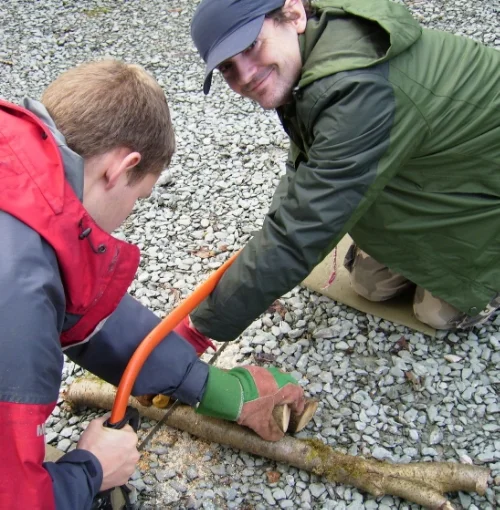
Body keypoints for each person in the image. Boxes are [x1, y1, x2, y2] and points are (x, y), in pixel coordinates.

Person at [0, 59, 305, 510]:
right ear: (122, 167)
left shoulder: (22, 180)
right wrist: (89, 469)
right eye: (138, 197)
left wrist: (211, 386)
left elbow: (86, 311)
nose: (128, 217)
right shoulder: (18, 300)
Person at [178, 0, 500, 349]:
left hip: (482, 183)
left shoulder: (356, 88)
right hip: (439, 168)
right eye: (227, 67)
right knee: (369, 284)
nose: (245, 76)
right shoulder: (313, 55)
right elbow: (308, 168)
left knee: (435, 312)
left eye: (251, 45)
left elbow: (303, 228)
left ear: (294, 15)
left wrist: (199, 328)